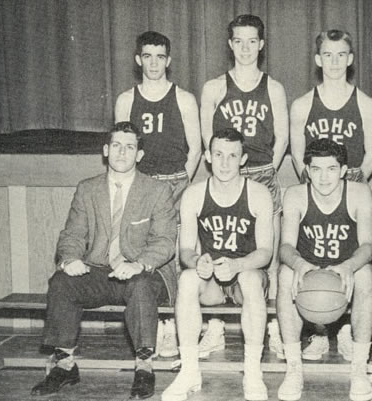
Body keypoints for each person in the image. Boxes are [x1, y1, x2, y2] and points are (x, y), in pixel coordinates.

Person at [31, 122, 178, 399]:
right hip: (100, 270)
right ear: (106, 150)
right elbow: (72, 234)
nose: (123, 153)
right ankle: (64, 365)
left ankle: (144, 368)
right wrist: (70, 258)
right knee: (62, 282)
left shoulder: (158, 190)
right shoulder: (88, 189)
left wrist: (139, 264)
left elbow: (165, 241)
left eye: (130, 147)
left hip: (142, 271)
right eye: (117, 146)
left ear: (139, 155)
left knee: (141, 285)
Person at [285, 28, 372, 361]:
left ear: (350, 59)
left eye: (341, 55)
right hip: (316, 184)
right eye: (328, 54)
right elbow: (298, 154)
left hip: (349, 184)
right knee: (311, 255)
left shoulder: (364, 103)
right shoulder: (302, 105)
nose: (335, 61)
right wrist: (315, 183)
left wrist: (350, 181)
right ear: (317, 59)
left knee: (356, 258)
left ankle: (348, 327)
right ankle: (319, 331)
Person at [162, 128, 273, 401]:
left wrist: (237, 266)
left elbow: (265, 253)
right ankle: (189, 371)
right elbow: (185, 250)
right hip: (211, 280)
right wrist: (197, 262)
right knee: (187, 278)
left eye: (232, 156)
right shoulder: (194, 194)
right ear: (208, 157)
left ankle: (253, 371)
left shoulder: (258, 193)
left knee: (248, 279)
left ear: (243, 159)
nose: (225, 163)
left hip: (246, 275)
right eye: (219, 155)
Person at [200, 16, 288, 354]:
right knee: (219, 252)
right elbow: (210, 140)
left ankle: (277, 328)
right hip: (224, 175)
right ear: (230, 44)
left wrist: (262, 174)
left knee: (271, 259)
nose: (246, 47)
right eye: (239, 41)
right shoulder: (214, 87)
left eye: (253, 41)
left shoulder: (274, 88)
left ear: (262, 45)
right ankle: (216, 327)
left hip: (262, 173)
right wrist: (231, 173)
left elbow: (282, 139)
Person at [115, 31, 202, 358]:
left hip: (175, 184)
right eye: (147, 56)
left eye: (160, 56)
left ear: (168, 60)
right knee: (143, 256)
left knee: (177, 256)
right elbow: (122, 148)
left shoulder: (184, 98)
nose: (153, 62)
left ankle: (179, 327)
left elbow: (195, 149)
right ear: (138, 60)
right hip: (141, 186)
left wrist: (179, 184)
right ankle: (159, 326)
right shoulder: (126, 100)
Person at [276, 139, 372, 401]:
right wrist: (298, 263)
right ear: (307, 169)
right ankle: (294, 368)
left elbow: (367, 246)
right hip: (309, 269)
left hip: (345, 269)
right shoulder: (296, 195)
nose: (323, 177)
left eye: (331, 169)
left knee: (366, 274)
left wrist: (349, 265)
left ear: (343, 170)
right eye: (316, 169)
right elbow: (285, 247)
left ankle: (359, 369)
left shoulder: (358, 193)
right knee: (286, 273)